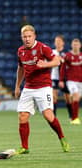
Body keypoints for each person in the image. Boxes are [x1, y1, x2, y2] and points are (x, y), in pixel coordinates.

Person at [14, 25, 70, 154]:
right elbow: (21, 69)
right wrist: (17, 86)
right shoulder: (21, 50)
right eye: (25, 37)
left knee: (48, 115)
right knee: (22, 116)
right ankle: (24, 147)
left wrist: (46, 64)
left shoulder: (42, 48)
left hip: (43, 87)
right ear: (21, 37)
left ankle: (62, 137)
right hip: (28, 87)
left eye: (29, 36)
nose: (27, 39)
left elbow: (57, 61)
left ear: (34, 36)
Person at [59, 38, 82, 125]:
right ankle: (75, 119)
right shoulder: (67, 56)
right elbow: (63, 68)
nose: (75, 46)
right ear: (72, 45)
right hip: (71, 81)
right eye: (74, 44)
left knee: (76, 99)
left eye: (77, 44)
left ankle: (73, 116)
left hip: (80, 81)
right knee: (75, 95)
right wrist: (61, 80)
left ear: (80, 46)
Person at [51, 35, 72, 118]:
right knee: (54, 96)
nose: (57, 43)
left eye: (59, 41)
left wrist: (62, 61)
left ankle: (71, 116)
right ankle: (53, 117)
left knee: (67, 97)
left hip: (65, 78)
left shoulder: (67, 53)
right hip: (54, 77)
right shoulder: (52, 52)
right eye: (56, 41)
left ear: (63, 42)